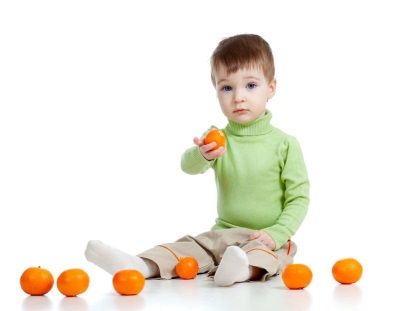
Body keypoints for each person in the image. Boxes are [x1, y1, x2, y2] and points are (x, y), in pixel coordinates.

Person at [85, 34, 310, 287]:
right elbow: (187, 166)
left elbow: (298, 197)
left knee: (265, 258)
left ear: (271, 88)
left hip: (268, 238)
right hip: (223, 232)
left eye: (250, 85)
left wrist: (278, 232)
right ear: (216, 93)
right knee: (190, 247)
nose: (238, 97)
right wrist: (202, 154)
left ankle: (239, 271)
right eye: (227, 87)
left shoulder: (285, 144)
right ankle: (140, 265)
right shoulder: (217, 138)